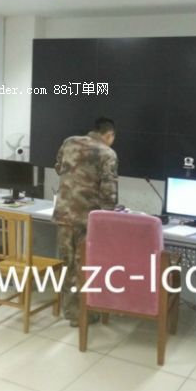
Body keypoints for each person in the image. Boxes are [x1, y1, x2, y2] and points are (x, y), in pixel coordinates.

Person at [52, 117, 118, 326]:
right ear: (109, 135)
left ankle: (72, 313)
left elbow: (58, 167)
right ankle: (85, 315)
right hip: (88, 220)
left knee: (68, 263)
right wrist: (109, 216)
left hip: (63, 214)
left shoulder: (69, 142)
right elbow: (109, 190)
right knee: (85, 266)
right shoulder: (108, 153)